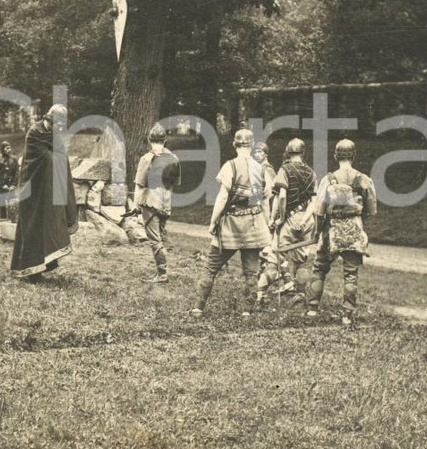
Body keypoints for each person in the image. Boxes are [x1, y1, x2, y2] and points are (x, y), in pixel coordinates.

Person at [189, 128, 271, 317]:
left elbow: (222, 197)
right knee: (251, 271)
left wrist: (212, 222)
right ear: (251, 146)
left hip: (231, 224)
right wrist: (266, 224)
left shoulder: (230, 166)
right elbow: (265, 199)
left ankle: (198, 308)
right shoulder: (262, 168)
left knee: (211, 267)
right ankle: (247, 311)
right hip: (253, 223)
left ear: (235, 144)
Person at [304, 139, 377, 326]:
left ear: (335, 156)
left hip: (332, 231)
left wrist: (318, 232)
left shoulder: (327, 180)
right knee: (351, 273)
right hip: (354, 230)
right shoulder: (364, 179)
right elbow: (370, 210)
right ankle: (347, 315)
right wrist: (356, 223)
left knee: (319, 268)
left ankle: (312, 309)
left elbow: (319, 211)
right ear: (354, 156)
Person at [11, 104, 78, 280]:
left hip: (46, 189)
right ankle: (29, 271)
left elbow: (60, 158)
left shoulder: (54, 135)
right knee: (32, 227)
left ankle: (42, 267)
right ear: (49, 119)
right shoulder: (34, 133)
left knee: (46, 225)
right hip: (32, 187)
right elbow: (41, 159)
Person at [257, 138, 317, 306]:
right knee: (301, 261)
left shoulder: (285, 169)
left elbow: (281, 196)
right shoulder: (311, 172)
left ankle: (259, 296)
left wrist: (278, 218)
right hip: (307, 220)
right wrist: (305, 220)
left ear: (288, 153)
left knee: (274, 258)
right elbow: (314, 202)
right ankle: (299, 294)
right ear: (303, 153)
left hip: (289, 219)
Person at [133, 124, 182, 283]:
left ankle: (162, 274)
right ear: (165, 140)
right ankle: (161, 272)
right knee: (160, 236)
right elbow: (175, 183)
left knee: (155, 240)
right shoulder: (174, 158)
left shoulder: (146, 158)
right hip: (165, 202)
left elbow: (139, 185)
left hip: (150, 201)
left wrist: (135, 205)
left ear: (149, 140)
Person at [0, 140, 20, 221]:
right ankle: (2, 225)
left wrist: (13, 185)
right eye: (7, 148)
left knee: (12, 207)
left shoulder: (14, 159)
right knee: (2, 208)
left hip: (11, 187)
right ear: (3, 149)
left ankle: (11, 224)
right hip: (0, 188)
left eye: (10, 148)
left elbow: (17, 173)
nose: (9, 150)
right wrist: (1, 185)